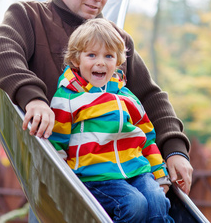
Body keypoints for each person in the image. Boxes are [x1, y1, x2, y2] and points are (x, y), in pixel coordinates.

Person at [0, 0, 193, 219]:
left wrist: (176, 150)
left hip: (121, 170)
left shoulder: (115, 41)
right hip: (62, 180)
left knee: (148, 205)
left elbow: (151, 97)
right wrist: (32, 97)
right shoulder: (30, 16)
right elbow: (1, 49)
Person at [48, 18, 174, 222]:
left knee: (157, 200)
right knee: (134, 205)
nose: (100, 62)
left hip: (136, 169)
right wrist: (65, 183)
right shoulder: (68, 98)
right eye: (91, 55)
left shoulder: (126, 96)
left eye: (108, 56)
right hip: (96, 177)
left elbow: (147, 138)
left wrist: (159, 172)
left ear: (117, 61)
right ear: (75, 60)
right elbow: (56, 144)